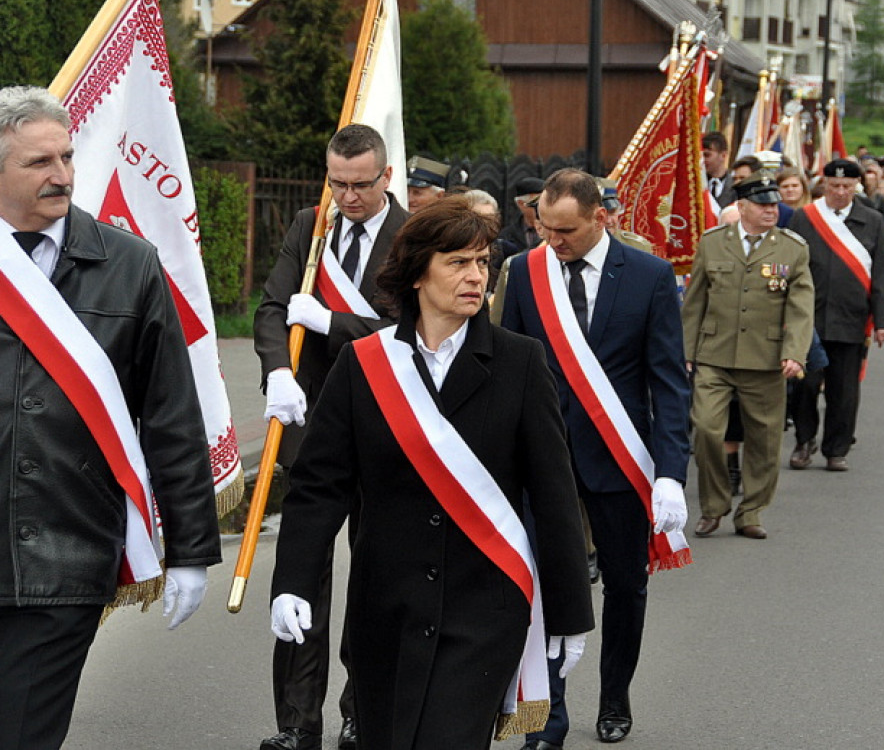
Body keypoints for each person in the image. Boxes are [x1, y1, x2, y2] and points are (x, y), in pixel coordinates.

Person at [269, 196, 595, 750]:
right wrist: (293, 582)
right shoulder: (365, 364)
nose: (476, 277)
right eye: (459, 263)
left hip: (485, 609)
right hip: (386, 609)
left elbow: (554, 494)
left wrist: (568, 611)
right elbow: (319, 487)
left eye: (483, 263)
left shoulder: (520, 362)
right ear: (419, 272)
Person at [0, 85, 221, 749]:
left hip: (65, 555)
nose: (61, 174)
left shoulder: (129, 266)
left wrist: (189, 552)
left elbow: (172, 419)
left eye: (66, 157)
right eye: (39, 162)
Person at [500, 169, 691, 747]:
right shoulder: (524, 274)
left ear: (601, 217)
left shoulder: (651, 277)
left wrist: (670, 474)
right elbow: (505, 368)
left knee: (628, 584)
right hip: (544, 459)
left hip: (619, 457)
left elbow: (668, 381)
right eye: (543, 229)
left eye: (565, 231)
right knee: (542, 583)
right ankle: (547, 712)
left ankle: (614, 696)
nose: (551, 242)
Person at [254, 123, 409, 750]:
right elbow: (271, 307)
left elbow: (410, 329)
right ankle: (296, 724)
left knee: (375, 575)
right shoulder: (308, 225)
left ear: (386, 179)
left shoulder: (411, 237)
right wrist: (276, 370)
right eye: (337, 183)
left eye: (359, 186)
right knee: (300, 578)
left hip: (383, 428)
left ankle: (359, 711)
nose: (346, 197)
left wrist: (333, 322)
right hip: (311, 426)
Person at [684, 172, 814, 539]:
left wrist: (795, 354)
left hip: (766, 357)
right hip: (715, 354)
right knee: (707, 429)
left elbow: (801, 307)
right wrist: (686, 351)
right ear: (741, 207)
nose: (771, 210)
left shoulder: (793, 248)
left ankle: (751, 511)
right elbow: (695, 303)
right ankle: (713, 506)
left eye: (774, 204)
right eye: (762, 205)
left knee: (765, 439)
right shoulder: (712, 244)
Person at [787, 159, 884, 472]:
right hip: (809, 317)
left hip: (851, 317)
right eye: (834, 186)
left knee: (844, 389)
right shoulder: (805, 217)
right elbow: (790, 264)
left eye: (847, 186)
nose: (840, 192)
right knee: (805, 387)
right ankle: (804, 440)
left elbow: (882, 275)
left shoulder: (871, 219)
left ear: (856, 187)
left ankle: (837, 448)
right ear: (824, 185)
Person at [490, 177, 545, 292]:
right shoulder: (505, 236)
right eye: (537, 202)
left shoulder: (553, 232)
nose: (543, 206)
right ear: (521, 204)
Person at [703, 131, 736, 206]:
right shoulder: (697, 185)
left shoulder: (735, 187)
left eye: (707, 155)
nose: (703, 160)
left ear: (723, 155)